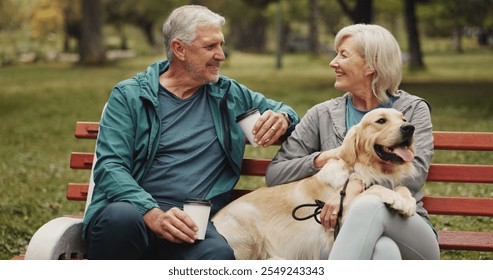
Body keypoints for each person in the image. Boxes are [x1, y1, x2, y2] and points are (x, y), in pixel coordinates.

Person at [82, 5, 299, 260]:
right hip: (136, 214)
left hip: (192, 224)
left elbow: (287, 112)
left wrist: (283, 118)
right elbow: (110, 167)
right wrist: (153, 214)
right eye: (210, 47)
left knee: (217, 255)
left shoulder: (228, 94)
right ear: (179, 49)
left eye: (221, 45)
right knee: (120, 219)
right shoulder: (130, 96)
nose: (221, 55)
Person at [265, 24, 440, 260]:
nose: (333, 62)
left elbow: (414, 175)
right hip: (341, 234)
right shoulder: (322, 114)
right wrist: (323, 157)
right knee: (383, 252)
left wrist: (349, 195)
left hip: (407, 227)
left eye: (343, 55)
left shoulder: (411, 110)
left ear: (371, 65)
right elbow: (275, 174)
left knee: (367, 206)